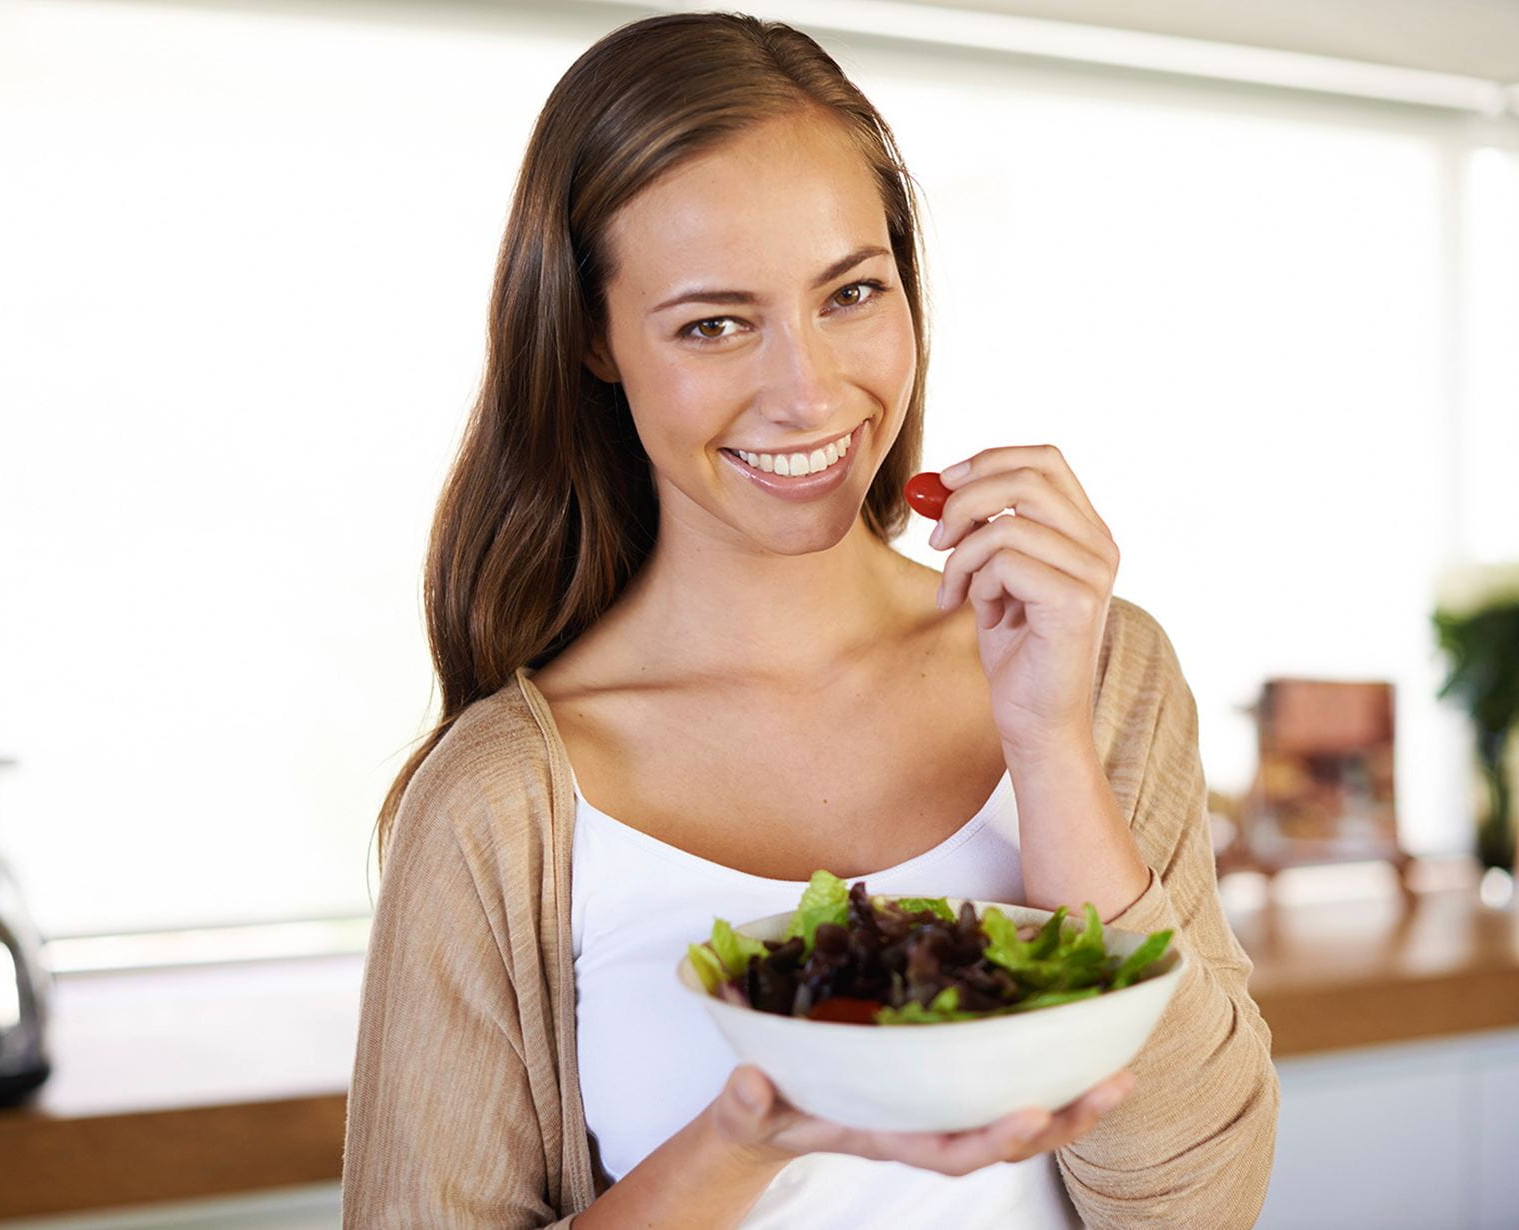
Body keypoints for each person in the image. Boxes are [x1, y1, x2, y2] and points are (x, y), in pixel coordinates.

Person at [341, 11, 1278, 1228]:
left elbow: (1200, 1207)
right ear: (591, 338)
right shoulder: (502, 803)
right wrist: (747, 1137)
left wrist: (1046, 747)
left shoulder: (1094, 669)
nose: (808, 393)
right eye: (713, 324)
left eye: (849, 293)